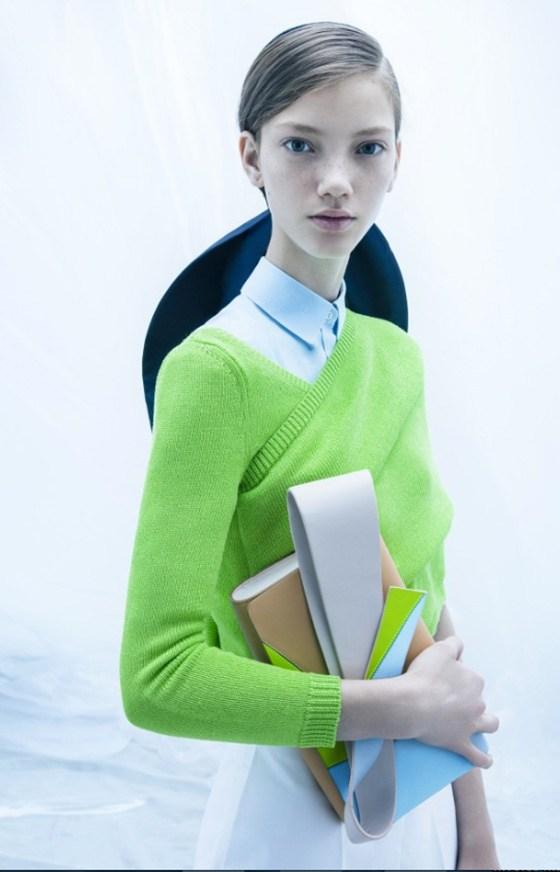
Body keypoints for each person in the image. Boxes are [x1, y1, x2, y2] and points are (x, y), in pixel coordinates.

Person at [119, 20, 501, 871]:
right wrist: (391, 709)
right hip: (286, 816)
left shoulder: (394, 359)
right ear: (250, 156)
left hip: (422, 799)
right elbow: (157, 677)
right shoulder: (213, 374)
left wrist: (476, 836)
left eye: (367, 148)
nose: (336, 181)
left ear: (397, 159)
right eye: (301, 145)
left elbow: (428, 603)